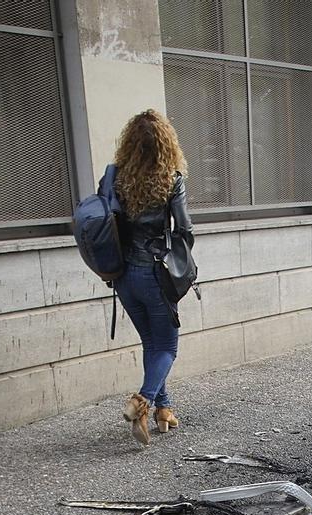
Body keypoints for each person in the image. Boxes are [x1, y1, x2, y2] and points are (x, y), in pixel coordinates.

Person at [111, 109, 194, 446]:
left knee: (151, 343)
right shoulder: (171, 180)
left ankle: (164, 409)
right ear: (166, 144)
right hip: (154, 274)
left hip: (123, 276)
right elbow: (184, 229)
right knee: (168, 347)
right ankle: (140, 402)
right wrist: (182, 260)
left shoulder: (117, 179)